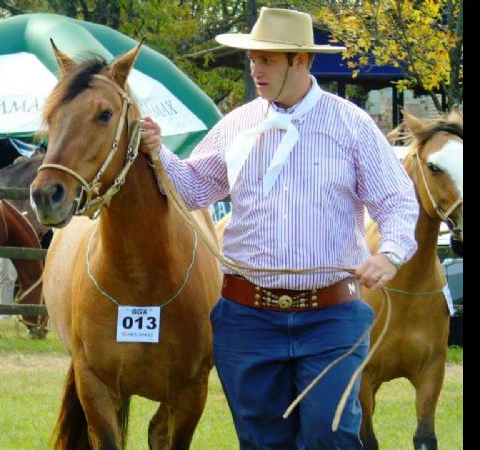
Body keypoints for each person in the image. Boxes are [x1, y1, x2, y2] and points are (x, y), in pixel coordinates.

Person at [139, 7, 419, 449]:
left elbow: (398, 200)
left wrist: (391, 253)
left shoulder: (352, 125)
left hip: (331, 317)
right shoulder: (237, 125)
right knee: (261, 442)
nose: (256, 69)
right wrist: (159, 152)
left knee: (332, 436)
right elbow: (193, 190)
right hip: (247, 317)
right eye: (253, 59)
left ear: (300, 61)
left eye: (267, 60)